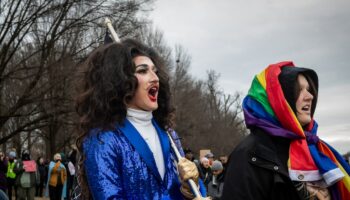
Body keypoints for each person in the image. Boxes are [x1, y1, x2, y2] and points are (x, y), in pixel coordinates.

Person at [75, 38, 207, 199]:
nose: (155, 78)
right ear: (121, 80)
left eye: (155, 71)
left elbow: (176, 192)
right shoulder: (103, 138)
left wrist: (190, 188)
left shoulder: (169, 134)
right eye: (143, 71)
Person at [222, 61, 350, 199]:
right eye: (298, 90)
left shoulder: (315, 149)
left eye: (309, 89)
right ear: (278, 100)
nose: (310, 96)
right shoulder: (248, 155)